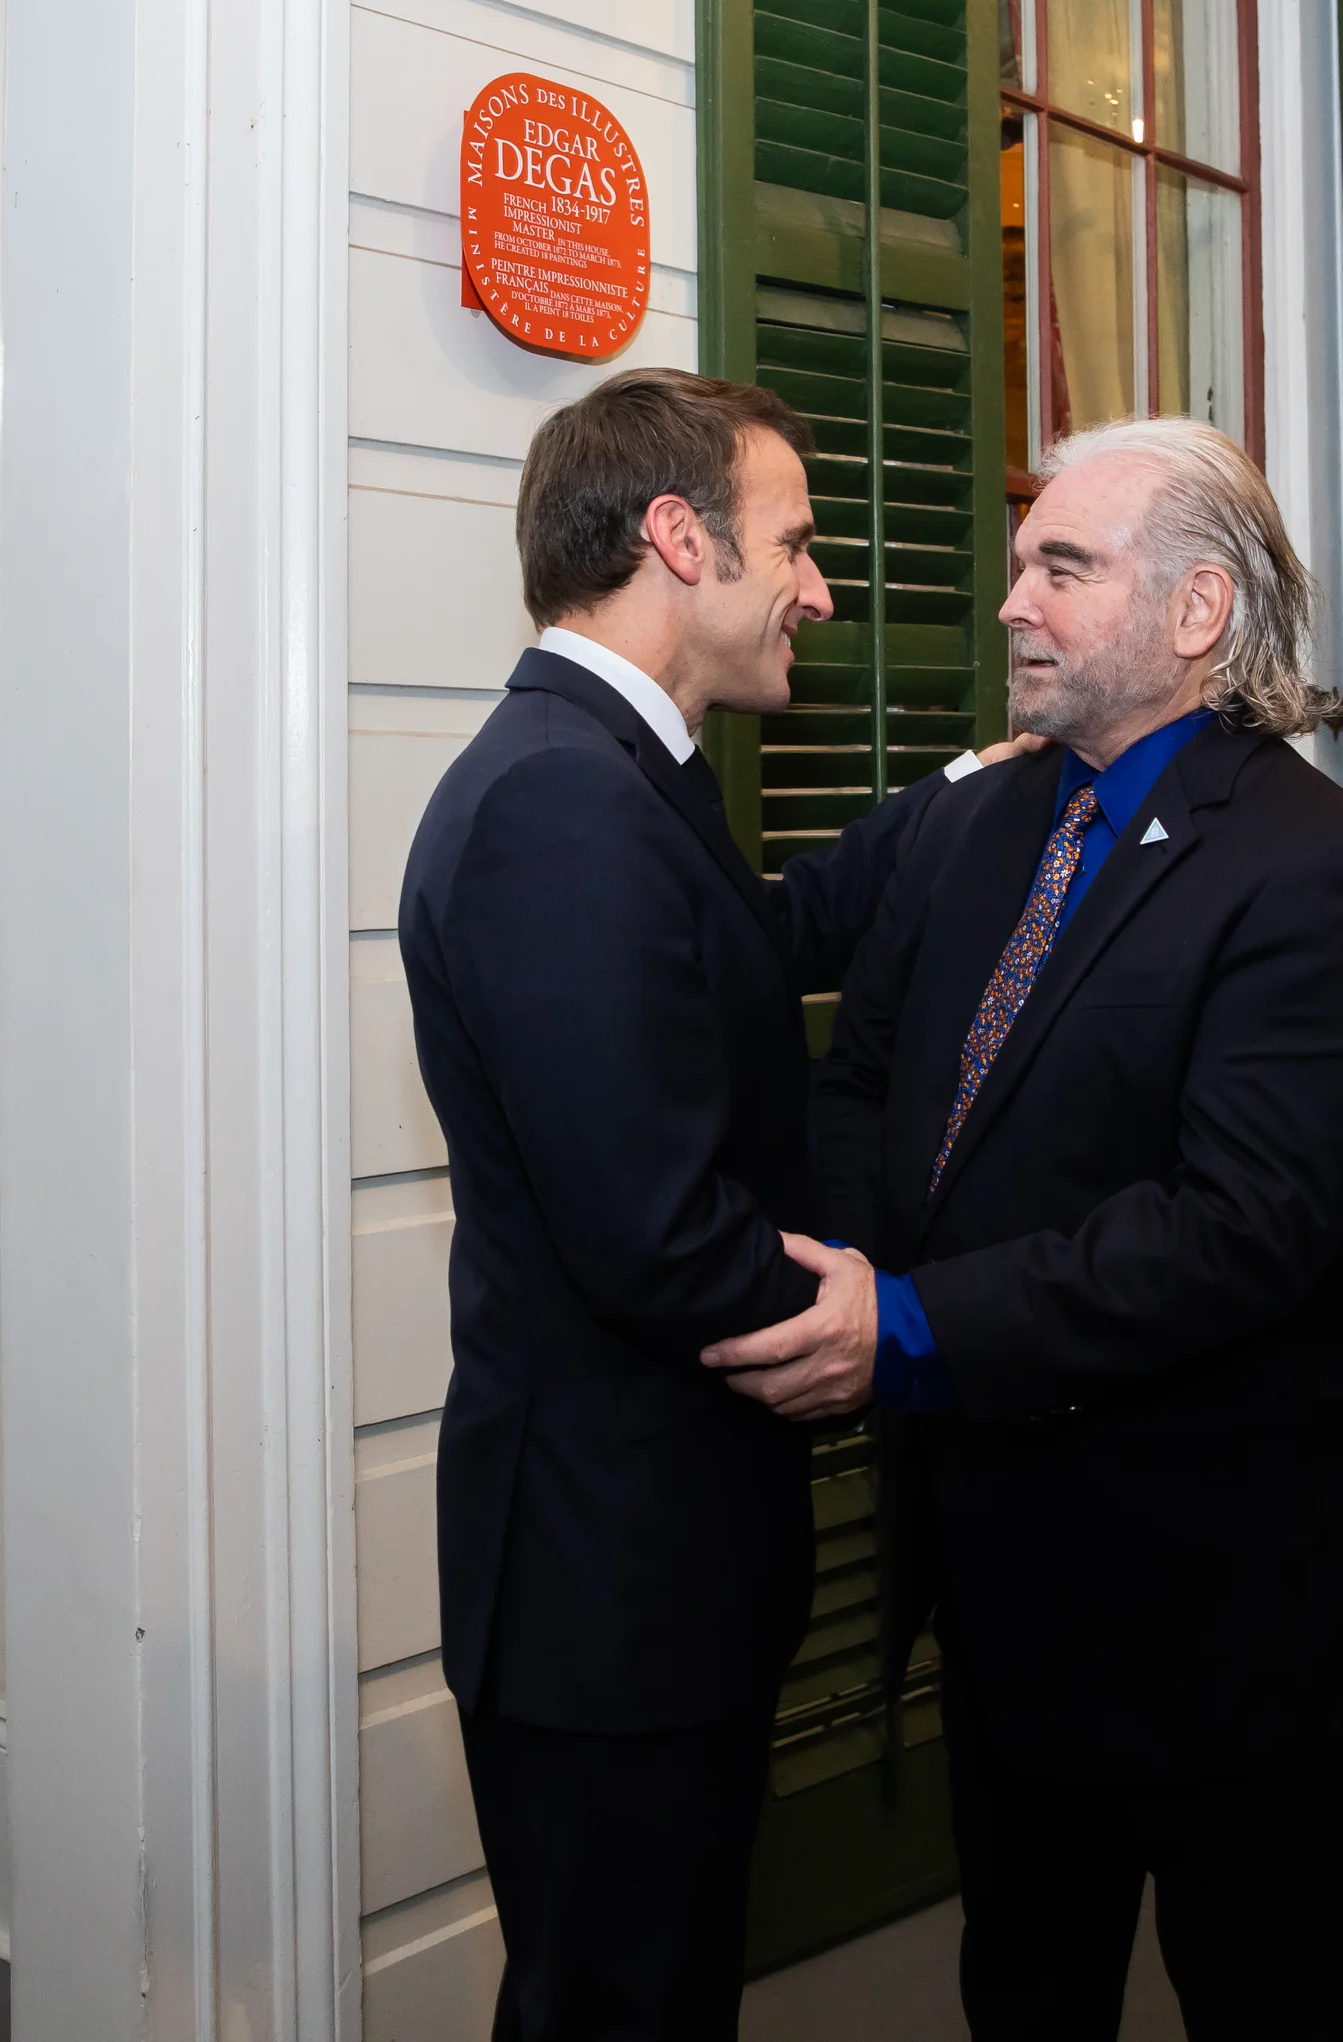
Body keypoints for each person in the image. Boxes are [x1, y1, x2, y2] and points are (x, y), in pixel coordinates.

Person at [703, 416, 1343, 2042]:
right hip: (1004, 1597)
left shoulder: (1327, 879)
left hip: (1243, 1621)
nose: (1011, 606)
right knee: (1025, 1996)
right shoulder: (972, 830)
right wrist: (849, 1263)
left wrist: (904, 1326)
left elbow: (1236, 1228)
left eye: (1062, 567)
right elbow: (867, 1081)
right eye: (1018, 565)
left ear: (1193, 615)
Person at [398, 368, 1025, 2042]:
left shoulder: (609, 770)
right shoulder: (558, 803)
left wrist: (985, 780)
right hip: (614, 1581)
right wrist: (907, 1320)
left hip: (644, 1562)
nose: (820, 587)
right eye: (796, 543)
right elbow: (655, 1236)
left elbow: (767, 931)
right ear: (678, 538)